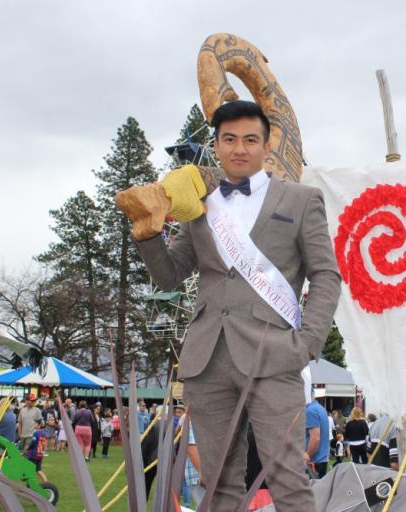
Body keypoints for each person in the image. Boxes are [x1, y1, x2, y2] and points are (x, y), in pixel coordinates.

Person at [132, 100, 341, 511]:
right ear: (216, 145)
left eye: (250, 139)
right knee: (217, 484)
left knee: (288, 480)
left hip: (275, 355)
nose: (239, 148)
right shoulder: (199, 204)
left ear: (266, 146)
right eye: (229, 139)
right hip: (207, 359)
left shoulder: (301, 200)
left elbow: (326, 276)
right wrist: (147, 234)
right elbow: (171, 275)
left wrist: (308, 343)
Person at [305, 388, 330, 478]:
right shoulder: (320, 408)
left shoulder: (310, 411)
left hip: (314, 461)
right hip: (321, 459)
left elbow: (315, 438)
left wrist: (307, 455)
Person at [25, 418, 48, 483]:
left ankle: (31, 483)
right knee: (38, 470)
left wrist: (28, 449)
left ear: (39, 425)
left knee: (30, 469)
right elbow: (45, 444)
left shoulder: (36, 433)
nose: (34, 424)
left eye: (35, 423)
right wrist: (44, 451)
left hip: (33, 454)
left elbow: (33, 443)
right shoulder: (44, 433)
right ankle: (46, 482)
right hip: (40, 454)